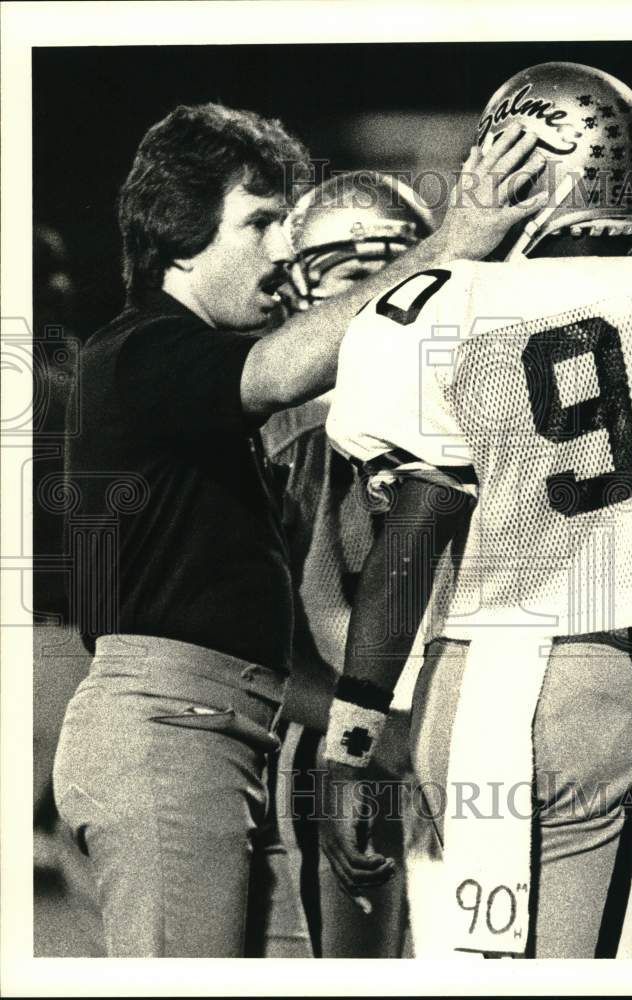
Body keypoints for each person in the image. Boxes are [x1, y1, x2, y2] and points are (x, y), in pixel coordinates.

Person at [50, 101, 548, 957]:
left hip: (222, 728)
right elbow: (282, 371)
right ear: (179, 229)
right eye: (261, 221)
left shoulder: (169, 377)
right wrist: (449, 243)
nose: (283, 248)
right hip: (174, 731)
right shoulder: (143, 351)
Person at [319, 63, 632, 958]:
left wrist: (354, 738)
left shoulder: (438, 306)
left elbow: (412, 530)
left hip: (458, 690)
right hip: (604, 678)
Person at [263, 170, 436, 957]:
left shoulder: (455, 410)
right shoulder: (307, 437)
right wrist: (373, 740)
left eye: (394, 276)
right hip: (351, 740)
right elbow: (308, 639)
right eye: (354, 280)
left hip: (436, 735)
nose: (376, 305)